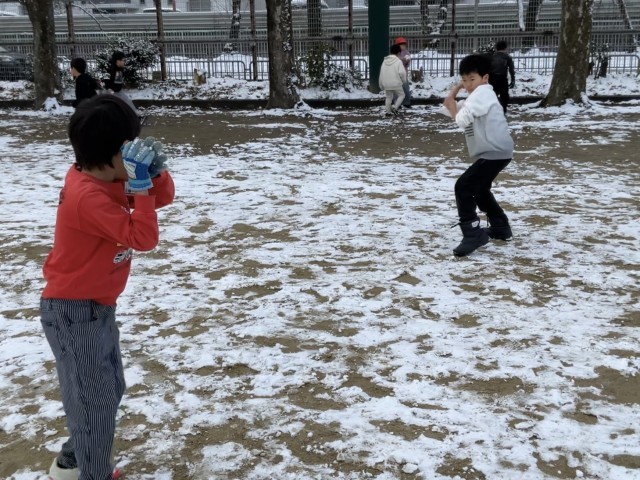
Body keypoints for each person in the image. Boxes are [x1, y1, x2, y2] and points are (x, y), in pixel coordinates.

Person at [41, 94, 175, 480]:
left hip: (94, 307)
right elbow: (143, 236)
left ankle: (72, 460)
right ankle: (93, 472)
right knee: (95, 402)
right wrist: (140, 186)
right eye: (130, 148)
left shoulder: (102, 176)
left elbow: (163, 198)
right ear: (113, 155)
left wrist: (154, 174)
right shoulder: (87, 197)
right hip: (74, 311)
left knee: (107, 390)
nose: (136, 155)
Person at [442, 53, 514, 257]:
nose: (468, 85)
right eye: (464, 80)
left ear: (485, 78)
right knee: (480, 189)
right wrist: (453, 96)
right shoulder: (480, 95)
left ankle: (472, 232)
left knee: (463, 186)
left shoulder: (482, 93)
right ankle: (500, 227)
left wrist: (453, 96)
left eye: (472, 79)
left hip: (495, 152)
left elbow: (460, 119)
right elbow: (453, 110)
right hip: (499, 151)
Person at [103, 51, 138, 115]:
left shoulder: (111, 69)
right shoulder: (118, 71)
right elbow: (117, 87)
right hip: (116, 94)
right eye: (121, 60)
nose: (123, 62)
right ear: (117, 61)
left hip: (111, 93)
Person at [378, 44, 407, 117]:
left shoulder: (384, 61)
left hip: (386, 83)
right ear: (399, 52)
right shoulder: (398, 61)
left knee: (388, 97)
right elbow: (402, 73)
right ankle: (395, 107)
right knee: (402, 95)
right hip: (396, 83)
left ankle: (388, 112)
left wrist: (381, 84)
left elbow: (381, 73)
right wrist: (404, 81)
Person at [489, 40, 516, 113]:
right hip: (502, 78)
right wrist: (513, 79)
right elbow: (511, 69)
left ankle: (492, 110)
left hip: (492, 78)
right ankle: (503, 110)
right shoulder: (507, 57)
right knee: (504, 96)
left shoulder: (491, 57)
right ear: (505, 48)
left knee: (493, 95)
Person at [394, 37, 412, 109]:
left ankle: (406, 102)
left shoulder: (406, 53)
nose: (403, 46)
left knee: (405, 89)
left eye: (404, 45)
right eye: (401, 45)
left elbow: (407, 63)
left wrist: (407, 61)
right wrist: (401, 59)